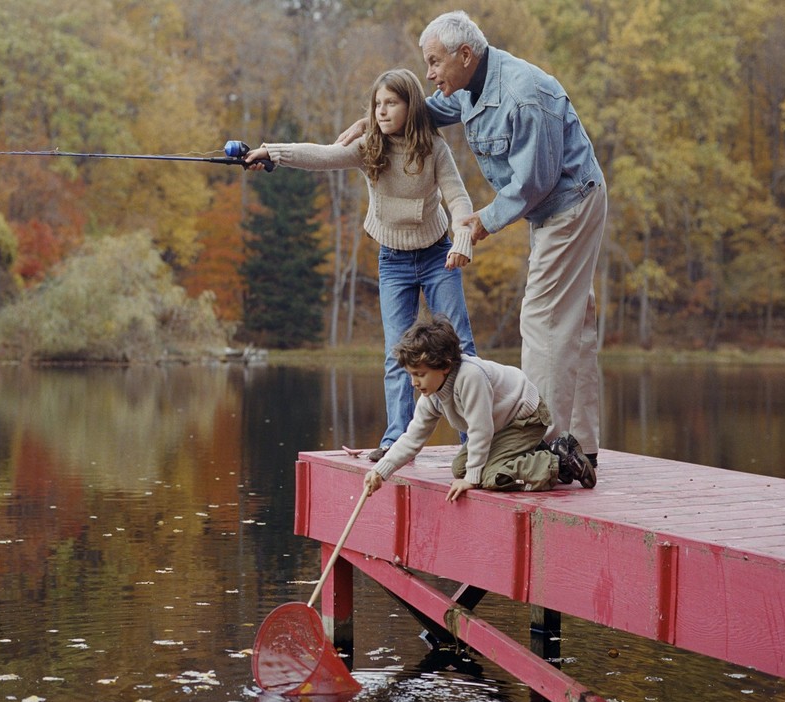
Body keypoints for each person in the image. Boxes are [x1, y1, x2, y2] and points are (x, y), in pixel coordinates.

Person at [338, 11, 608, 469]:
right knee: (574, 324)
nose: (429, 73)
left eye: (435, 62)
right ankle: (581, 445)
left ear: (466, 54)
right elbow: (421, 109)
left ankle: (540, 441)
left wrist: (479, 222)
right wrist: (372, 120)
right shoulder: (468, 90)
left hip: (568, 203)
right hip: (553, 209)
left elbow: (533, 183)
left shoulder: (523, 96)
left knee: (542, 317)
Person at [243, 68, 477, 463]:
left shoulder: (434, 149)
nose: (382, 112)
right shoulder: (370, 147)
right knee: (395, 353)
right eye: (377, 105)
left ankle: (473, 440)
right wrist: (273, 153)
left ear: (410, 105)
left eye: (391, 104)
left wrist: (464, 239)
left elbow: (458, 199)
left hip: (439, 254)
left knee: (462, 346)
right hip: (393, 261)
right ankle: (395, 442)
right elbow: (322, 155)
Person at [362, 313, 595, 502]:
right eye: (411, 375)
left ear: (444, 365)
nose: (414, 383)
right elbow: (412, 438)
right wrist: (381, 471)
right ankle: (534, 453)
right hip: (501, 425)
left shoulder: (469, 377)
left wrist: (472, 480)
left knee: (491, 476)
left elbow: (480, 430)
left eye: (420, 375)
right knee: (460, 468)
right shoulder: (432, 394)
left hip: (525, 418)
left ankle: (559, 461)